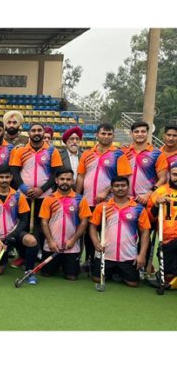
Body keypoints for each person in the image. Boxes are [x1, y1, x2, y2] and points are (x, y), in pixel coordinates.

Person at [76, 123, 132, 267]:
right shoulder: (87, 154)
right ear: (97, 135)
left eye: (109, 134)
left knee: (107, 233)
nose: (106, 136)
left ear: (113, 136)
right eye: (103, 133)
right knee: (89, 232)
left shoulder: (118, 154)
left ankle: (107, 262)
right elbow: (81, 176)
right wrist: (76, 196)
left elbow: (122, 177)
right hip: (88, 202)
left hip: (108, 203)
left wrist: (106, 191)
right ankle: (89, 260)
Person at [9, 122, 64, 267]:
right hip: (24, 196)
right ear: (29, 133)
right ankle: (22, 255)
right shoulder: (20, 151)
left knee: (42, 226)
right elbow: (14, 171)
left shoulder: (52, 151)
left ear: (43, 132)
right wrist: (24, 188)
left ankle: (39, 255)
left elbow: (56, 173)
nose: (37, 133)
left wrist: (41, 189)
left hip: (44, 196)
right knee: (23, 226)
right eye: (33, 130)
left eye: (39, 130)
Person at [88, 176, 151, 287]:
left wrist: (142, 254)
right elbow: (92, 226)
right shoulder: (103, 207)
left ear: (128, 188)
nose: (120, 188)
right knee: (97, 279)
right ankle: (114, 272)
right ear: (111, 189)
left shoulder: (138, 208)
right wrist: (95, 242)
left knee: (133, 284)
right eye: (116, 186)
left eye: (123, 186)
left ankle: (117, 272)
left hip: (128, 255)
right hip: (105, 254)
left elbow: (145, 232)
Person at [38, 168, 92, 281]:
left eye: (68, 179)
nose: (65, 182)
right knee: (46, 274)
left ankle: (67, 265)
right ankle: (58, 264)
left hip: (71, 246)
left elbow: (84, 222)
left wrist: (73, 239)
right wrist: (50, 241)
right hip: (52, 246)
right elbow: (44, 222)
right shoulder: (49, 199)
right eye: (62, 179)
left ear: (72, 181)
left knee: (72, 277)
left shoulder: (80, 199)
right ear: (57, 181)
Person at [122, 121, 168, 205]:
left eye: (143, 131)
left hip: (147, 199)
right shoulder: (123, 151)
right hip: (125, 199)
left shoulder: (157, 154)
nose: (140, 134)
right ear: (131, 134)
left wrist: (148, 194)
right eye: (136, 131)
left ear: (147, 133)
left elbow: (162, 179)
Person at [148, 163, 177, 285]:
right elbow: (149, 218)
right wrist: (156, 205)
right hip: (166, 238)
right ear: (169, 174)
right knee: (169, 274)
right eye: (175, 174)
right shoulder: (160, 192)